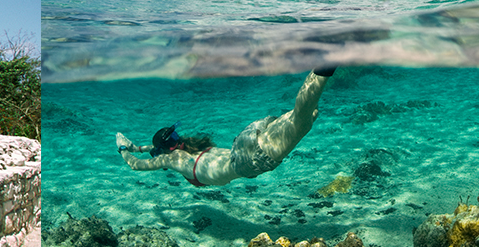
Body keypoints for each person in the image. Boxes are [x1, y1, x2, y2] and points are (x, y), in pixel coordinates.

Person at [116, 68, 333, 187]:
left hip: (248, 160)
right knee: (307, 116)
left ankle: (326, 64)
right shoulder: (183, 153)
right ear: (169, 147)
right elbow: (145, 158)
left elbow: (136, 165)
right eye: (172, 139)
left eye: (175, 135)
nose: (177, 139)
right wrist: (134, 148)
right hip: (243, 142)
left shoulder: (174, 158)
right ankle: (324, 65)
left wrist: (125, 150)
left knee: (301, 119)